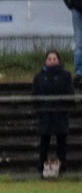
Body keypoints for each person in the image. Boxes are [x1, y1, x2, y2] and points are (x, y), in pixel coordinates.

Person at [32, 50, 74, 178]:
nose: (52, 61)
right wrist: (40, 109)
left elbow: (70, 93)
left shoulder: (65, 75)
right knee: (44, 142)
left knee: (62, 142)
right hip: (45, 113)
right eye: (49, 58)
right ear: (45, 60)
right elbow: (35, 95)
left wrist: (64, 107)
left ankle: (62, 168)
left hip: (60, 114)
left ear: (58, 60)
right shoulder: (39, 76)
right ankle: (41, 168)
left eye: (54, 58)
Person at [66, 0, 82, 88]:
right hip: (77, 9)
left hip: (76, 7)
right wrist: (69, 4)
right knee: (79, 43)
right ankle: (79, 73)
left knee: (79, 43)